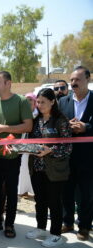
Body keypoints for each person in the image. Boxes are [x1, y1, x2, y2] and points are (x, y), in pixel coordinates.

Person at [0, 71, 33, 239]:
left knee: (11, 192)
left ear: (8, 83)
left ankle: (9, 224)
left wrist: (5, 129)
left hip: (11, 156)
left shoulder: (21, 101)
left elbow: (28, 126)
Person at [25, 88, 72, 247]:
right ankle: (40, 228)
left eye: (43, 102)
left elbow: (67, 148)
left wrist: (50, 150)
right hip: (37, 168)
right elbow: (31, 143)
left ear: (53, 102)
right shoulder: (36, 119)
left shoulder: (61, 120)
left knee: (54, 202)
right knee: (40, 200)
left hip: (55, 170)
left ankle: (56, 234)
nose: (39, 105)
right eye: (38, 102)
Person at [59, 66, 93, 241]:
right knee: (67, 191)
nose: (73, 83)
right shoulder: (63, 101)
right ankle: (67, 222)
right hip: (67, 156)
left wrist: (85, 127)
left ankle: (85, 226)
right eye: (71, 80)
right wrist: (67, 127)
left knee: (86, 194)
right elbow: (57, 124)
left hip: (88, 158)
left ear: (88, 79)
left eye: (77, 80)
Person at [17, 93, 37, 197]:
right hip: (22, 148)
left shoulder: (38, 117)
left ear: (35, 103)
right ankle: (22, 190)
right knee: (23, 169)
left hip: (34, 149)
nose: (28, 102)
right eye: (26, 99)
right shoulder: (20, 115)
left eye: (30, 99)